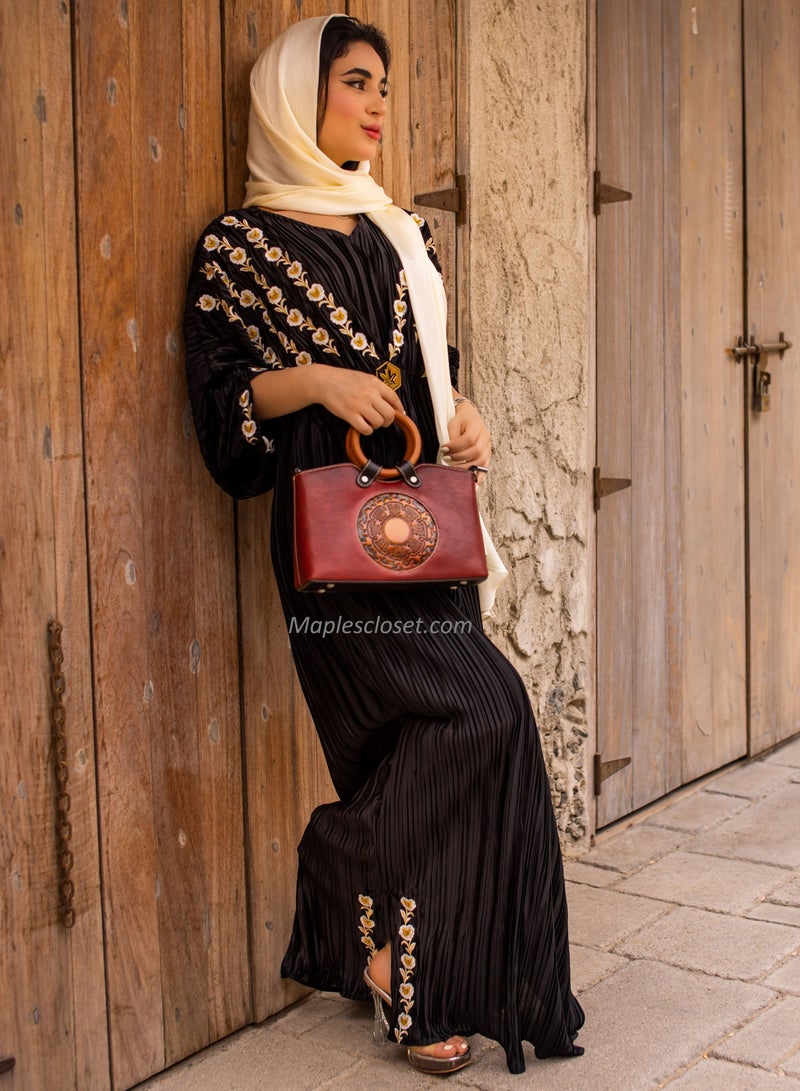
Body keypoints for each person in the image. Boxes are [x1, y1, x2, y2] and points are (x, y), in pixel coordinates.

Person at [184, 13, 584, 1076]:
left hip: (419, 525)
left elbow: (433, 368)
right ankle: (344, 868)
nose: (375, 103)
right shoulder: (239, 247)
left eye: (384, 86)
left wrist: (467, 415)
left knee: (450, 734)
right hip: (329, 540)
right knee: (470, 712)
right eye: (353, 82)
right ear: (293, 98)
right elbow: (221, 409)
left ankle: (401, 972)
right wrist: (314, 381)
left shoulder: (399, 232)